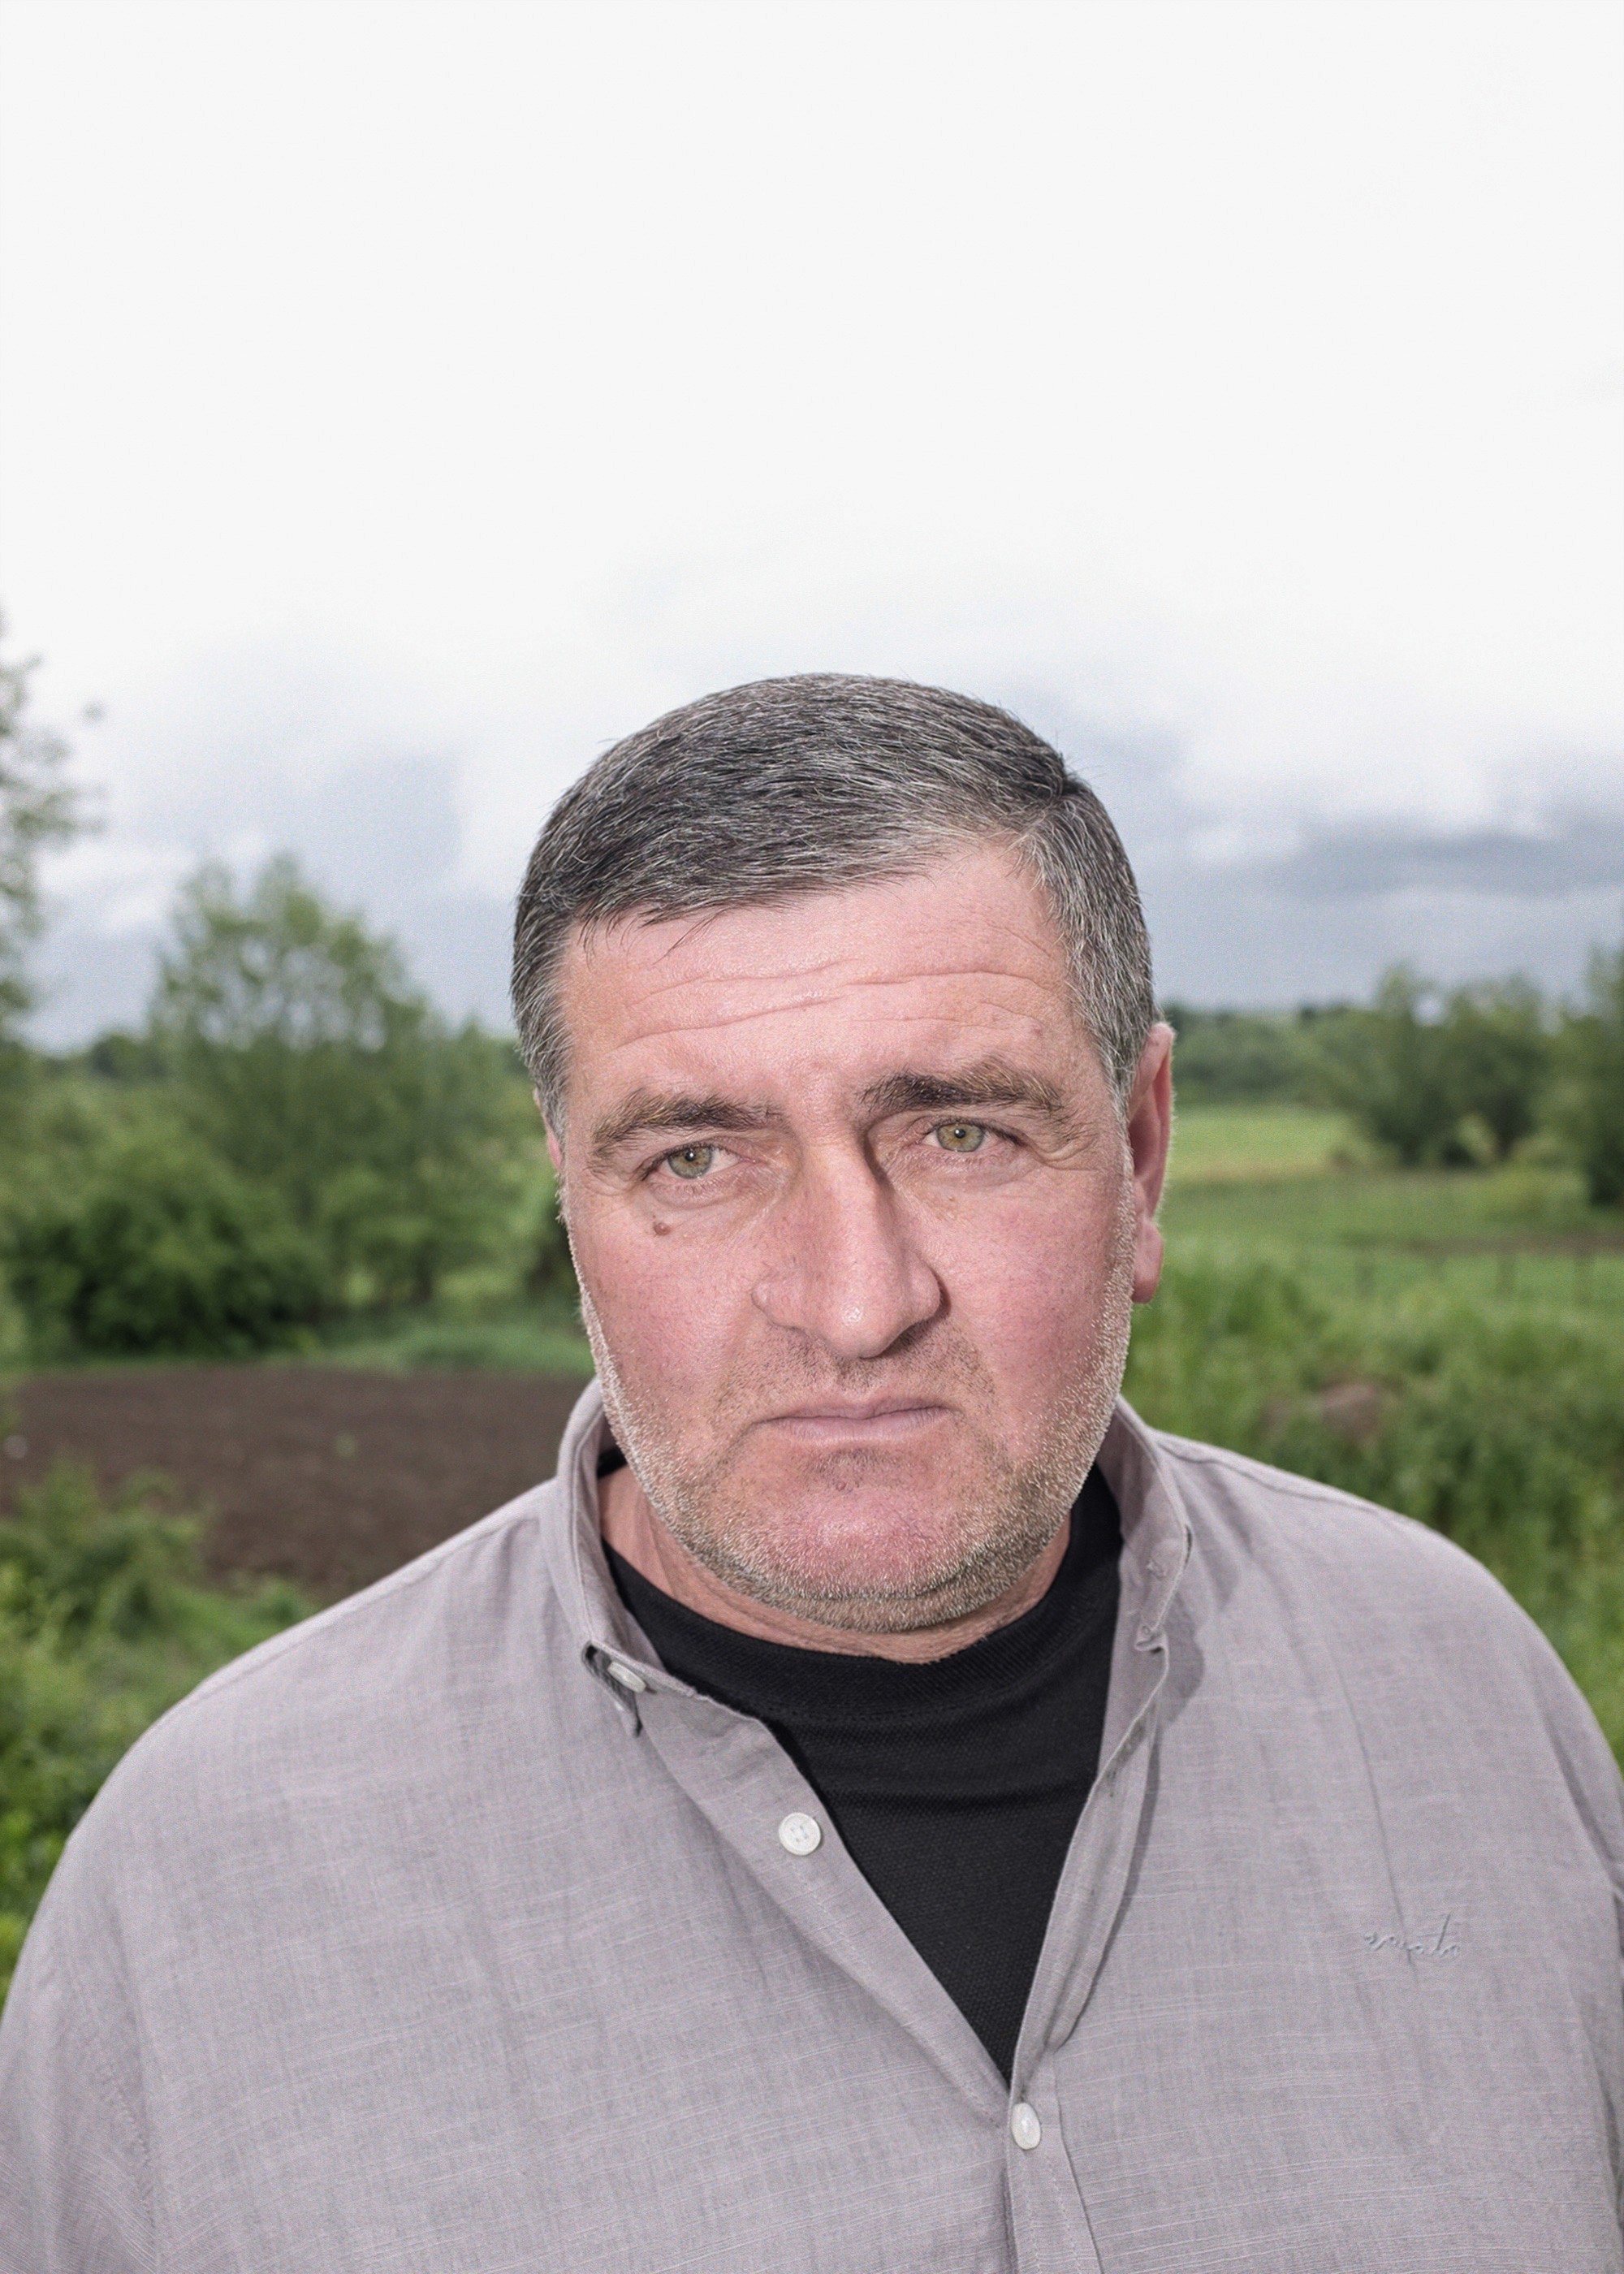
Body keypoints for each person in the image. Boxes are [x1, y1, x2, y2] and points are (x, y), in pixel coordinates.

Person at [2, 675, 1622, 2272]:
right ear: (569, 1202)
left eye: (961, 1131)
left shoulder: (1466, 1697)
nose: (856, 1301)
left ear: (1138, 1155)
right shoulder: (200, 1890)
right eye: (695, 1158)